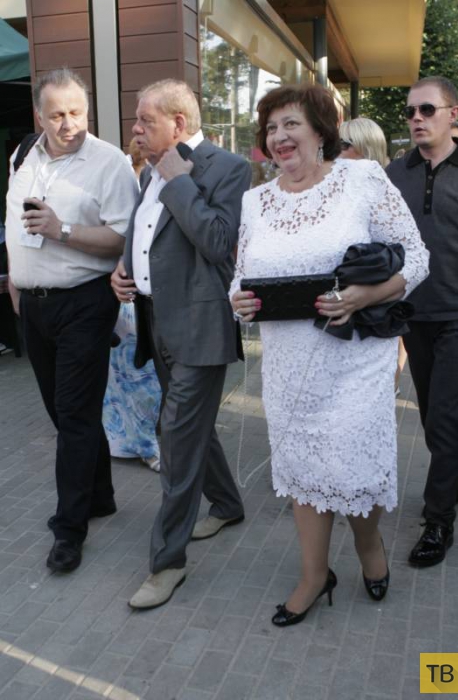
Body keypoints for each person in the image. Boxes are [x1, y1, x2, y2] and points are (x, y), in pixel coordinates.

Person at [231, 84, 428, 626]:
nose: (279, 136)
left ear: (320, 130)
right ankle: (315, 575)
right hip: (288, 362)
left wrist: (365, 295)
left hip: (355, 359)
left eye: (290, 124)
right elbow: (240, 277)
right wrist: (238, 302)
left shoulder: (361, 179)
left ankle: (368, 546)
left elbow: (417, 257)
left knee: (353, 469)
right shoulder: (255, 201)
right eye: (271, 128)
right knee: (301, 470)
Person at [111, 79, 251, 609]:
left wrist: (176, 180)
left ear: (178, 123)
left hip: (201, 327)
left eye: (145, 120)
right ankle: (228, 504)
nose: (135, 129)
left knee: (174, 438)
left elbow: (217, 242)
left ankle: (167, 563)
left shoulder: (227, 167)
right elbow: (146, 234)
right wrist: (125, 268)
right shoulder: (149, 169)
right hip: (156, 322)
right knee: (192, 429)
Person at [5, 68, 138, 573]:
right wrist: (16, 281)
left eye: (77, 112)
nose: (69, 124)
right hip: (34, 306)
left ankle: (70, 529)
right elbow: (15, 222)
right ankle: (99, 495)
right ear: (39, 116)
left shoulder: (109, 162)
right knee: (65, 414)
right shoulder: (22, 155)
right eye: (57, 114)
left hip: (84, 302)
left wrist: (62, 230)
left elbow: (123, 239)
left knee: (75, 416)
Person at [387, 76, 458, 567]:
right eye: (411, 111)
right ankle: (452, 484)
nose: (417, 118)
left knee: (444, 419)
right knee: (435, 416)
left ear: (453, 114)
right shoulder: (395, 174)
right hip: (415, 315)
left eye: (427, 110)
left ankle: (438, 522)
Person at [338, 117, 407, 393]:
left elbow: (409, 258)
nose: (336, 151)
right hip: (337, 316)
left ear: (365, 148)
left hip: (375, 316)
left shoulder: (387, 194)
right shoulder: (332, 190)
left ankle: (393, 382)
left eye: (344, 144)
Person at [103, 302, 162, 471]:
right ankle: (139, 445)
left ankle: (144, 443)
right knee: (120, 380)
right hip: (119, 307)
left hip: (147, 305)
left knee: (145, 381)